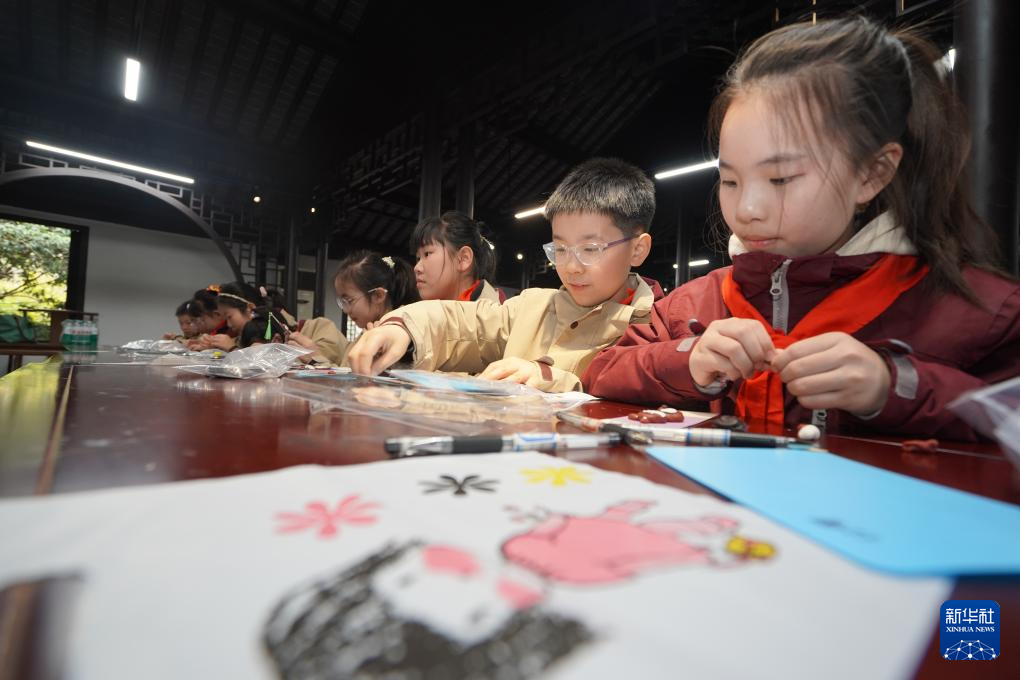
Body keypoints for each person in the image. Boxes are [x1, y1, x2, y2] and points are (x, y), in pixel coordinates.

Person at [583, 17, 1020, 439]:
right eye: (730, 181)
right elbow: (600, 371)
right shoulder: (698, 301)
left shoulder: (981, 311)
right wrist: (690, 360)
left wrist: (894, 387)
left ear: (872, 174)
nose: (747, 209)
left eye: (780, 179)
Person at [347, 157, 661, 392]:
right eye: (560, 249)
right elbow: (466, 324)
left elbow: (638, 398)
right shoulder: (532, 308)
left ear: (638, 249)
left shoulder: (654, 329)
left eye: (590, 249)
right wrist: (403, 328)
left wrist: (550, 379)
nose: (571, 266)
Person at [411, 210, 505, 303]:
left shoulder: (493, 312)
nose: (416, 268)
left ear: (463, 259)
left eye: (427, 254)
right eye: (418, 258)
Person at [334, 250, 420, 330]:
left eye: (349, 300)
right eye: (343, 301)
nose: (345, 310)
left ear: (378, 295)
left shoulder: (398, 329)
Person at [188, 282, 258, 351]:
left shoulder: (262, 334)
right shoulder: (243, 335)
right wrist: (212, 345)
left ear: (250, 308)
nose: (228, 324)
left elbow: (254, 358)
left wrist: (231, 348)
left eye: (229, 317)